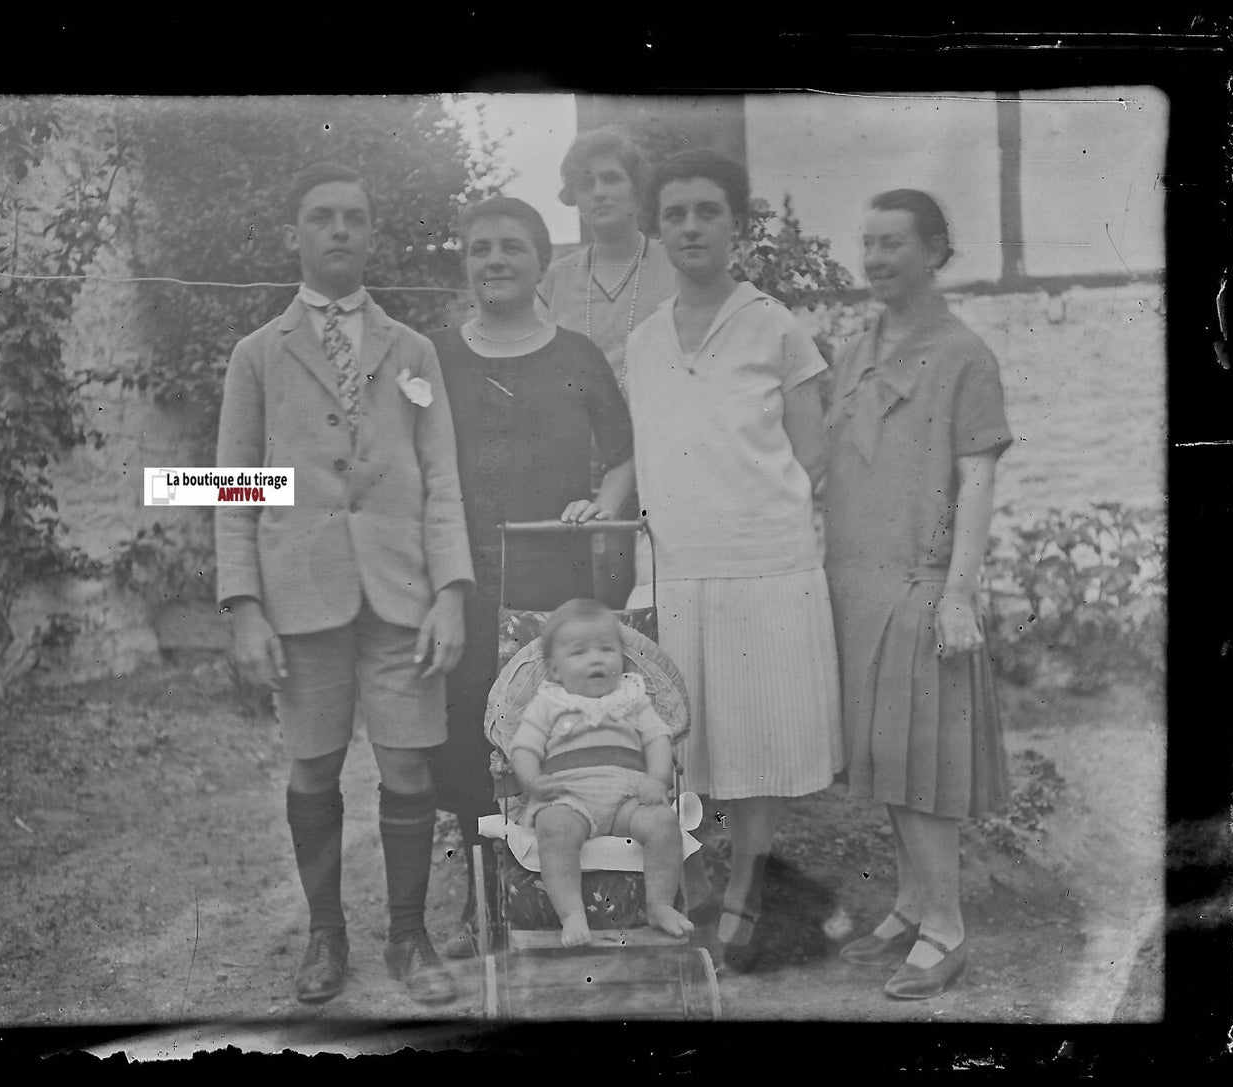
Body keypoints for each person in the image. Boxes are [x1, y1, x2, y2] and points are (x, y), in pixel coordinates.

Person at [215, 162, 473, 1006]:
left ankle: (408, 935)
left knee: (407, 765)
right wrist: (244, 606)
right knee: (313, 767)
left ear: (370, 235)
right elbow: (234, 485)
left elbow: (442, 479)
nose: (338, 230)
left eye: (353, 218)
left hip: (402, 593)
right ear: (294, 234)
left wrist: (451, 591)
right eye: (321, 216)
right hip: (301, 593)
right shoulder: (258, 354)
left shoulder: (413, 349)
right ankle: (325, 935)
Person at [622, 149, 844, 972]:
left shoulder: (773, 326)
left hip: (762, 568)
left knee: (755, 744)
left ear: (735, 225)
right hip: (675, 567)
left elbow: (811, 455)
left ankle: (745, 893)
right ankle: (686, 889)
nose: (690, 227)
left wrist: (749, 517)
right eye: (674, 214)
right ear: (656, 229)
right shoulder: (642, 341)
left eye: (706, 211)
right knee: (678, 747)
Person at [426, 195, 636, 956]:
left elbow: (623, 454)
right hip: (465, 582)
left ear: (543, 263)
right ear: (465, 265)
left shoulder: (576, 355)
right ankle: (481, 904)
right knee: (467, 743)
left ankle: (556, 900)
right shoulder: (436, 356)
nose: (495, 260)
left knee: (550, 734)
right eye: (480, 248)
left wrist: (602, 505)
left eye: (512, 247)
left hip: (554, 584)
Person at [824, 189, 1013, 999]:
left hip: (921, 580)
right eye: (866, 242)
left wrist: (958, 594)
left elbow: (977, 481)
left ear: (934, 250)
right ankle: (909, 904)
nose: (873, 258)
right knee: (883, 756)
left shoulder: (965, 355)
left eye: (892, 243)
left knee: (922, 764)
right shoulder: (850, 351)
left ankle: (946, 928)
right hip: (853, 581)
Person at [537, 128, 679, 608]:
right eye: (586, 182)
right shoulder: (556, 280)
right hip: (575, 479)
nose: (598, 192)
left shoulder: (675, 269)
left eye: (612, 178)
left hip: (661, 476)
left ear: (637, 188)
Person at [509, 598, 695, 947]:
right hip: (569, 798)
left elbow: (657, 739)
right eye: (579, 653)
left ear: (621, 659)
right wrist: (533, 781)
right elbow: (523, 747)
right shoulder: (549, 702)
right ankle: (571, 914)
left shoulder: (632, 697)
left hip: (628, 798)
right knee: (554, 827)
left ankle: (659, 905)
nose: (596, 659)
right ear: (555, 671)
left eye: (606, 649)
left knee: (663, 822)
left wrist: (657, 779)